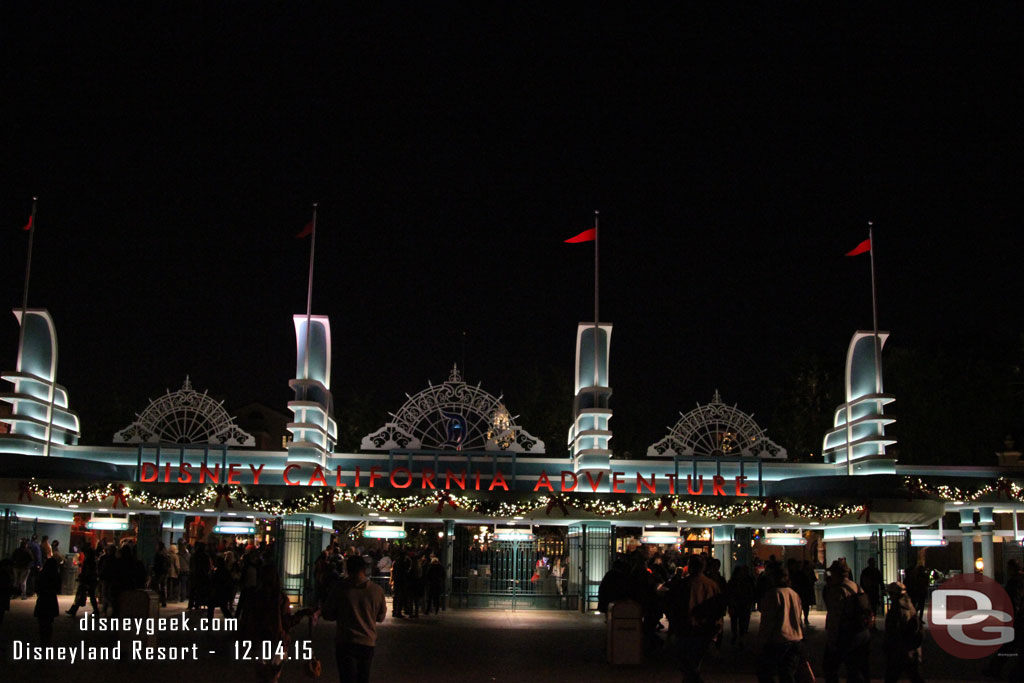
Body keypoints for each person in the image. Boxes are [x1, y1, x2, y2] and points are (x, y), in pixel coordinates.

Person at [238, 565, 313, 683]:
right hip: (276, 641)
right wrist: (302, 614)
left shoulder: (255, 596)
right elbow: (287, 622)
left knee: (261, 677)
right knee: (273, 678)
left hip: (258, 641)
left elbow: (248, 619)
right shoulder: (280, 598)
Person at [321, 555, 388, 683]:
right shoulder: (377, 590)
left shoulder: (340, 589)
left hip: (345, 641)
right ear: (364, 569)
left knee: (347, 678)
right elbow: (380, 617)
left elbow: (328, 614)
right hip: (367, 641)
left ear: (348, 569)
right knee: (363, 677)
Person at [669, 554, 725, 683]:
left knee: (686, 663)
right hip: (705, 629)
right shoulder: (712, 585)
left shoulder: (683, 584)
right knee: (695, 662)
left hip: (686, 628)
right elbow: (718, 608)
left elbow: (674, 607)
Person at [823, 559, 871, 683]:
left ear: (836, 574)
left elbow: (835, 616)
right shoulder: (856, 586)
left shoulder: (838, 590)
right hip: (861, 632)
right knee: (854, 669)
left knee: (830, 667)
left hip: (845, 634)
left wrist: (832, 640)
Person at [757, 566, 805, 683]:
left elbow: (768, 621)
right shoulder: (794, 594)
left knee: (765, 672)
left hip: (778, 640)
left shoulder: (773, 594)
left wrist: (762, 640)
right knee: (787, 674)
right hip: (795, 639)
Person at [883, 582, 923, 683]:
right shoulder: (910, 606)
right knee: (915, 676)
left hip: (900, 650)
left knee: (891, 677)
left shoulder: (897, 610)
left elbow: (893, 631)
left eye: (890, 594)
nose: (890, 597)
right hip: (912, 649)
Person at [727, 564, 756, 646]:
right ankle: (739, 637)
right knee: (741, 622)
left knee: (737, 621)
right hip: (742, 605)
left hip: (741, 605)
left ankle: (738, 637)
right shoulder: (747, 581)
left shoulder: (734, 582)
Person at [34, 557, 60, 646]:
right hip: (51, 599)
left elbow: (37, 587)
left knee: (42, 622)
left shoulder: (42, 574)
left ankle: (42, 641)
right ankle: (47, 641)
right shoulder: (55, 575)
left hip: (42, 599)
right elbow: (58, 588)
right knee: (49, 622)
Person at [67, 545, 99, 616]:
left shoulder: (88, 561)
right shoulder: (92, 560)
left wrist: (82, 577)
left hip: (87, 580)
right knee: (90, 595)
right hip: (90, 580)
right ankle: (74, 610)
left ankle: (73, 610)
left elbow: (87, 571)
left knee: (81, 595)